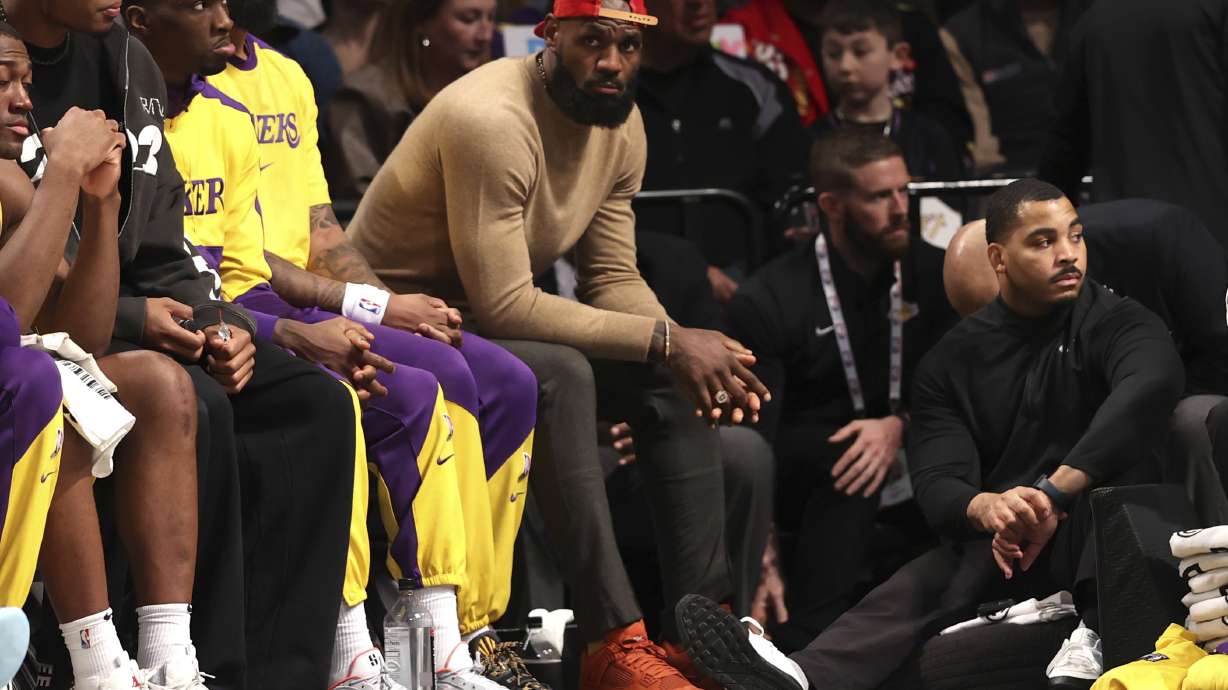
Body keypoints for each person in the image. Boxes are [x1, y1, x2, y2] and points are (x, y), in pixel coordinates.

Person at [346, 1, 775, 688]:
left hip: (478, 319)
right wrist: (669, 337)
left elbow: (611, 276)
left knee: (667, 381)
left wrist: (679, 349)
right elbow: (506, 303)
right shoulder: (493, 119)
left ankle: (704, 629)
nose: (612, 63)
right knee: (564, 373)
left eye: (628, 48)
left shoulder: (621, 123)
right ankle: (615, 640)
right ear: (550, 37)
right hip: (398, 322)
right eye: (593, 42)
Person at [672, 179, 1186, 690]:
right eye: (1043, 241)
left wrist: (1051, 493)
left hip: (1105, 530)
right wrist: (986, 506)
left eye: (1075, 236)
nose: (1069, 254)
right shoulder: (948, 363)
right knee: (938, 572)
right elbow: (939, 480)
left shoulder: (1119, 321)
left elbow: (1149, 390)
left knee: (1117, 493)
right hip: (1013, 548)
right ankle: (801, 674)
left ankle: (1094, 626)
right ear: (999, 260)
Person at [5, 0, 368, 686]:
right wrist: (139, 318)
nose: (18, 96)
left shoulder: (125, 55)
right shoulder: (11, 71)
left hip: (120, 309)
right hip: (74, 327)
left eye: (21, 83)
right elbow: (32, 306)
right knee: (190, 401)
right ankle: (155, 655)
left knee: (312, 403)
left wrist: (218, 323)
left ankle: (277, 672)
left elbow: (166, 239)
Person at [0, 28, 214, 688]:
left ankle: (167, 656)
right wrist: (62, 171)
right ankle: (96, 668)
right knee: (45, 386)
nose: (21, 101)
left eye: (27, 84)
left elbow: (81, 335)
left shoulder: (10, 180)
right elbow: (6, 319)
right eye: (3, 79)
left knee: (158, 383)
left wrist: (100, 205)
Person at [727, 129, 957, 646]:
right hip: (817, 471)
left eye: (905, 191)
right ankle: (812, 642)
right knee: (848, 458)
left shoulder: (937, 273)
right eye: (880, 196)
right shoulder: (771, 297)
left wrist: (899, 426)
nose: (901, 208)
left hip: (917, 446)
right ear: (831, 205)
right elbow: (758, 438)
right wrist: (763, 557)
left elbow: (965, 388)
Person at [944, 200, 1228, 526]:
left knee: (1188, 423)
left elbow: (1218, 349)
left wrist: (1136, 416)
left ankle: (1214, 559)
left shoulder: (1159, 234)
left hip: (1197, 389)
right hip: (1118, 402)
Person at [634, 0, 811, 303]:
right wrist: (684, 269)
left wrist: (753, 283)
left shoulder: (756, 87)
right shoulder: (605, 91)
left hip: (743, 289)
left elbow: (789, 201)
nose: (698, 5)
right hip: (632, 284)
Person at [1039, 0, 1228, 250]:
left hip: (1121, 230)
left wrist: (1050, 225)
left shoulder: (1095, 18)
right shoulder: (1215, 8)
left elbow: (1063, 143)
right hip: (1211, 225)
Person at [324, 0, 497, 203]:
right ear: (422, 22)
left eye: (491, 18)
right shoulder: (363, 98)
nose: (485, 35)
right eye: (468, 19)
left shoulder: (493, 92)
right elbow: (363, 208)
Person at [812, 0, 964, 183]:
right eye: (833, 53)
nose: (845, 66)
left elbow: (951, 208)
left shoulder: (928, 138)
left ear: (898, 56)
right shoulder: (812, 140)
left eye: (860, 51)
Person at [943, 0, 1091, 173]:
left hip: (1095, 169)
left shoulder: (1095, 18)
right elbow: (983, 145)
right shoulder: (961, 34)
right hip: (1009, 176)